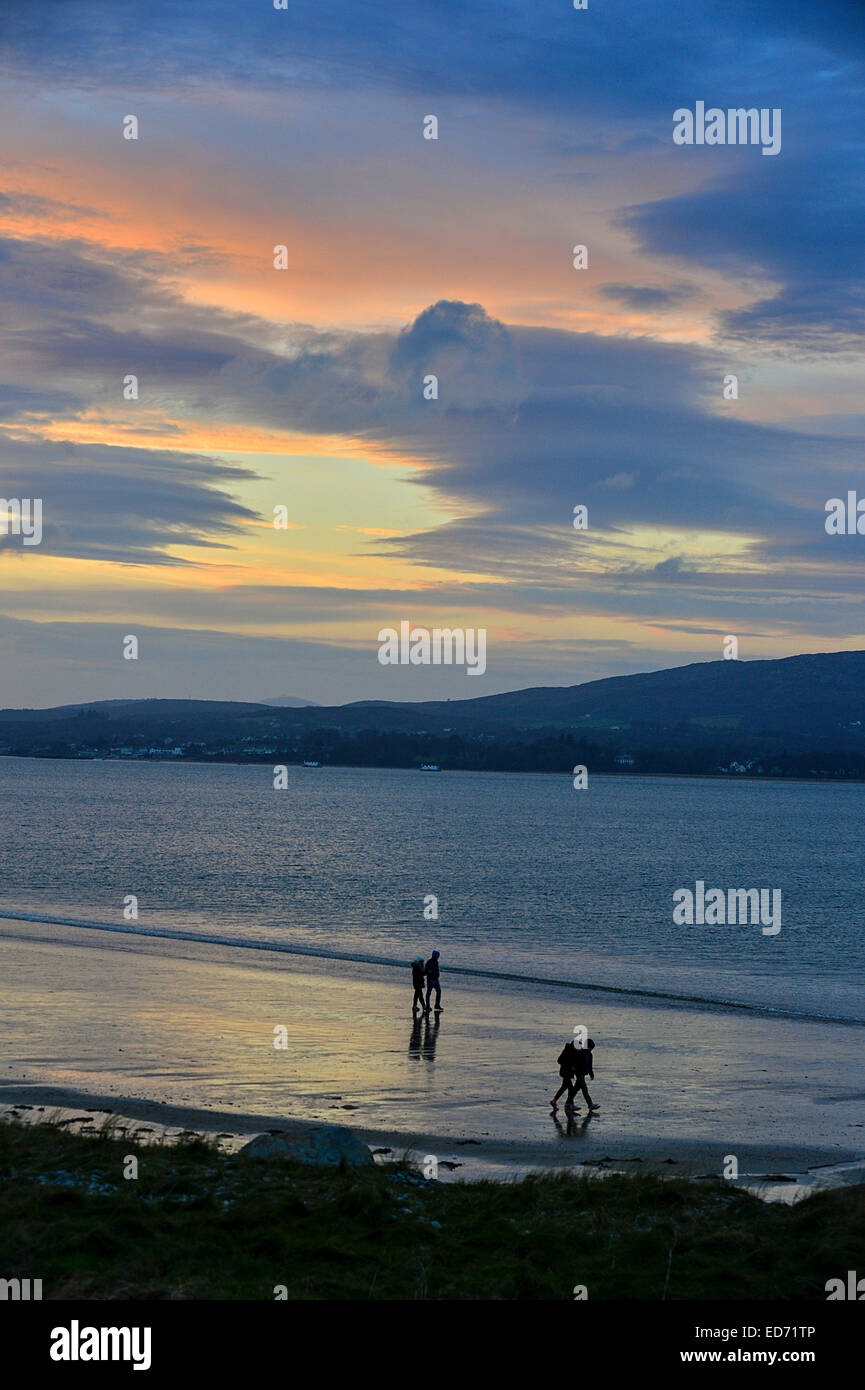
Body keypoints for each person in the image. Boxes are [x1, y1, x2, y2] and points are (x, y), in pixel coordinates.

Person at [573, 1038, 599, 1112]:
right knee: (584, 1089)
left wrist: (591, 1074)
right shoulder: (580, 1053)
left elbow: (590, 1065)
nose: (591, 1050)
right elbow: (575, 1062)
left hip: (583, 1073)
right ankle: (590, 1104)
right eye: (590, 1048)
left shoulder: (590, 1055)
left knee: (575, 1089)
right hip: (579, 1073)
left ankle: (568, 1102)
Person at [551, 1039, 578, 1111]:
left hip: (566, 1072)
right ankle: (570, 1104)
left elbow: (560, 1060)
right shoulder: (569, 1052)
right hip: (566, 1073)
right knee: (571, 1089)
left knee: (564, 1087)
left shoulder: (570, 1051)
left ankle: (554, 1101)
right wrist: (570, 1066)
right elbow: (560, 1060)